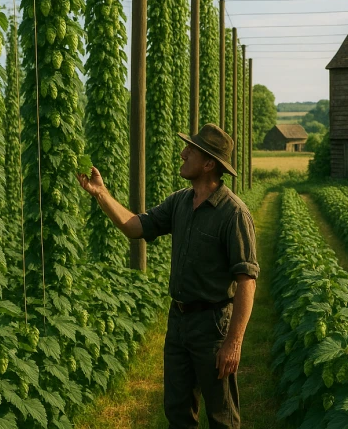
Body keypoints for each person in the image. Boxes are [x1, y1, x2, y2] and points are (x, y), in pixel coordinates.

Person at [76, 123, 258, 429]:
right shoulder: (180, 202)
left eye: (191, 150)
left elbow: (247, 282)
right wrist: (100, 193)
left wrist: (233, 343)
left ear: (209, 163)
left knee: (222, 416)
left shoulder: (233, 214)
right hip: (179, 322)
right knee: (177, 411)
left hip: (213, 326)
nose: (183, 153)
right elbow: (135, 226)